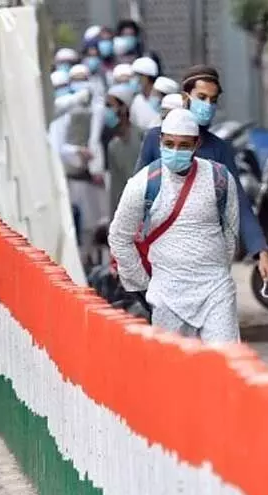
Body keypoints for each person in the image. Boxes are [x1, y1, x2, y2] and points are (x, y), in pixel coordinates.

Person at [135, 65, 268, 285]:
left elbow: (238, 202)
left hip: (206, 257)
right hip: (162, 254)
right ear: (185, 97)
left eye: (212, 100)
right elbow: (137, 196)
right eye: (202, 97)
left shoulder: (219, 150)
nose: (207, 106)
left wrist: (261, 250)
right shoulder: (155, 139)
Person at [109, 109, 240, 342]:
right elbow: (119, 236)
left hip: (216, 291)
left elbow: (229, 233)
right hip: (166, 296)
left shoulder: (220, 178)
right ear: (160, 142)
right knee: (174, 371)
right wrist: (144, 283)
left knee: (224, 367)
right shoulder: (142, 184)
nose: (175, 151)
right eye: (169, 143)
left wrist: (216, 268)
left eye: (183, 145)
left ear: (197, 144)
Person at [48, 80, 105, 253]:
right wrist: (77, 151)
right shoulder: (58, 115)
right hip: (64, 174)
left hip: (78, 173)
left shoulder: (81, 113)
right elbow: (56, 146)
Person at [105, 84, 146, 215]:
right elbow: (116, 188)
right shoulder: (113, 146)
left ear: (123, 108)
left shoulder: (142, 136)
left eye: (110, 106)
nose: (107, 111)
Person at [129, 57, 161, 131]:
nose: (134, 79)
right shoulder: (137, 100)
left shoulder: (161, 98)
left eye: (136, 75)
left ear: (146, 77)